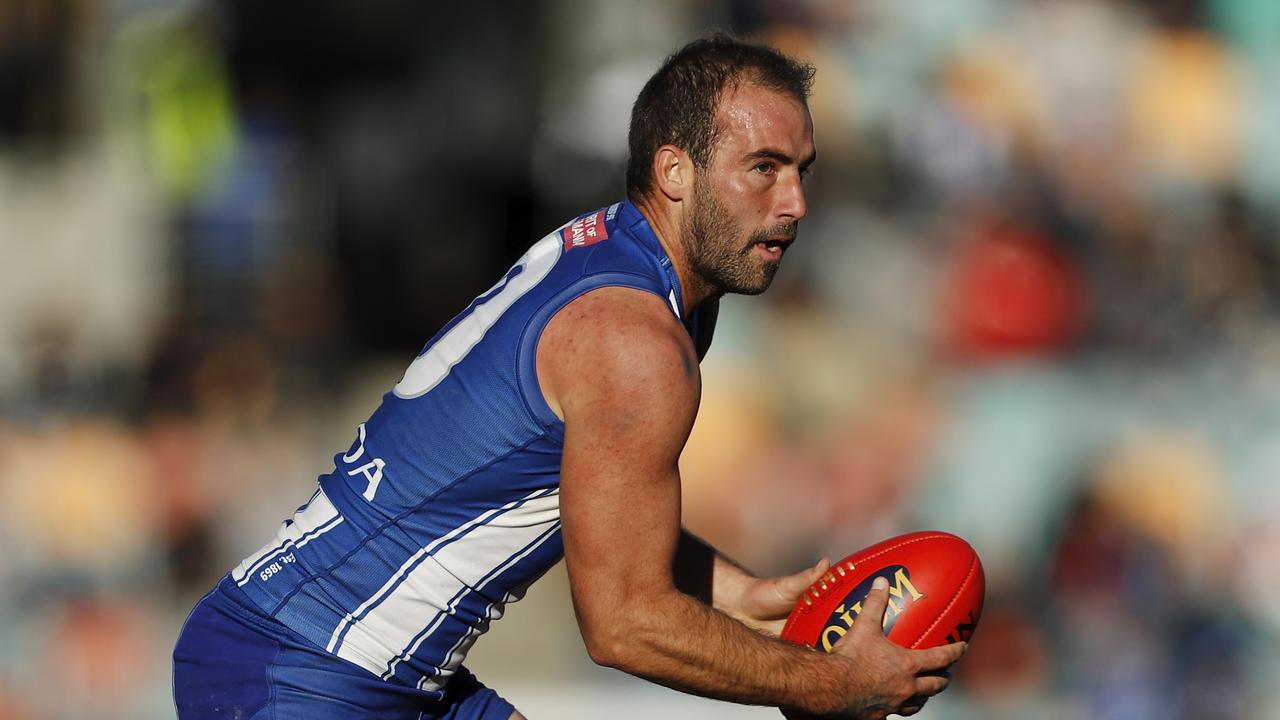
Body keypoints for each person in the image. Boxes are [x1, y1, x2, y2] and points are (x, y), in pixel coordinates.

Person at [172, 32, 966, 720]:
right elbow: (623, 624)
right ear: (675, 171)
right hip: (304, 672)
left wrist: (739, 593)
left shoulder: (639, 273)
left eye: (801, 170)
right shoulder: (637, 341)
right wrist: (830, 685)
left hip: (345, 661)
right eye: (762, 168)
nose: (793, 202)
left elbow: (601, 499)